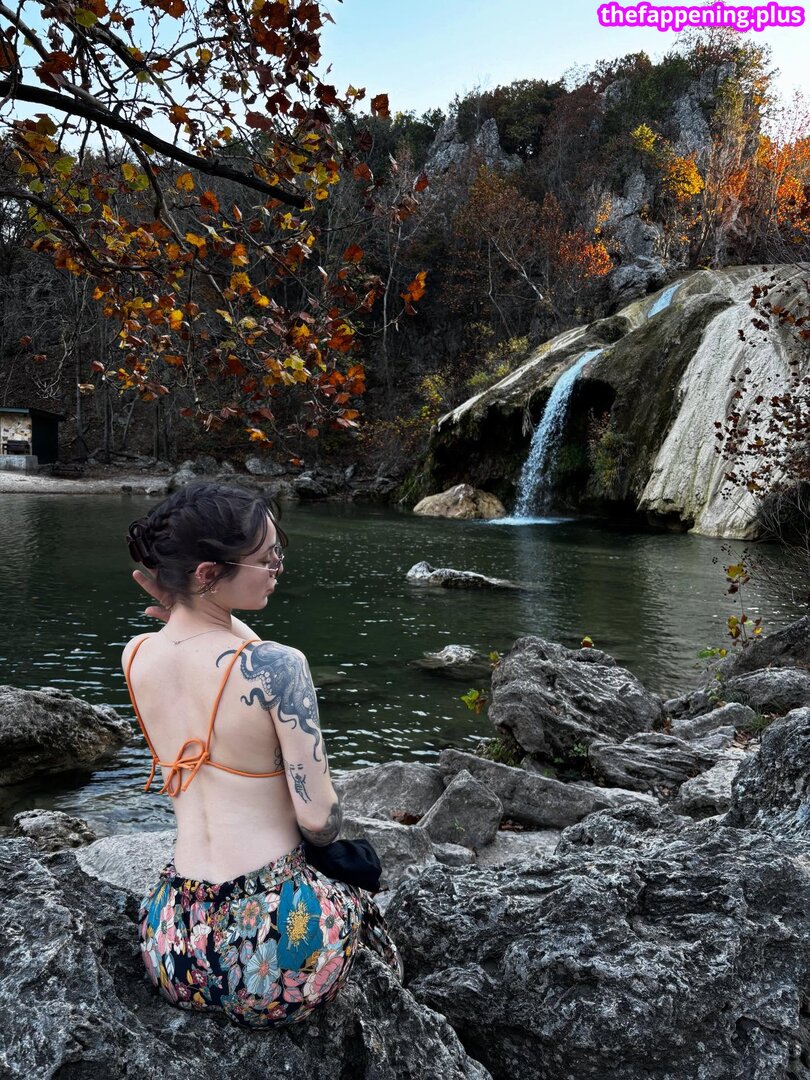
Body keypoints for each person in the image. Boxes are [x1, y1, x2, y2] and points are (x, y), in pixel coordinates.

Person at [122, 481, 401, 1029]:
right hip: (274, 950)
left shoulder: (136, 654)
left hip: (173, 943)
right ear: (209, 573)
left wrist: (187, 606)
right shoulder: (280, 667)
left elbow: (224, 647)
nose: (277, 568)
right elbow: (319, 822)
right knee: (363, 909)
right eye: (267, 558)